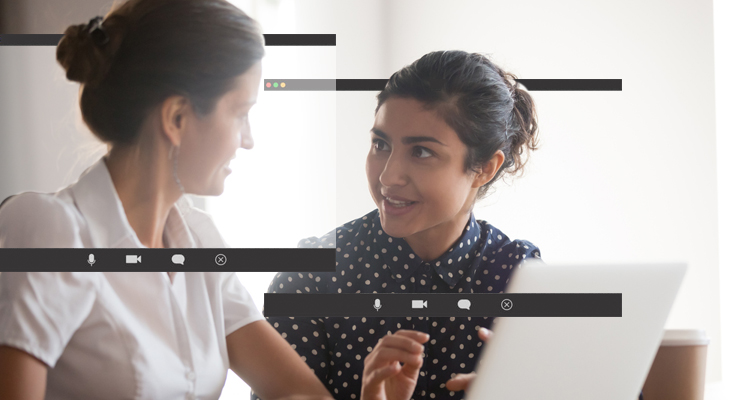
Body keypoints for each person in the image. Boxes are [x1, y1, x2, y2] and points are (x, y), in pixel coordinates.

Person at [0, 1, 332, 399]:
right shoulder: (52, 230)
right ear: (176, 117)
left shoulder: (199, 241)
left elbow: (300, 393)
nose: (248, 139)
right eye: (241, 113)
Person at [259, 50, 542, 400]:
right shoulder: (310, 280)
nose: (388, 176)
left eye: (421, 152)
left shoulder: (520, 278)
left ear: (484, 167)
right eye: (380, 144)